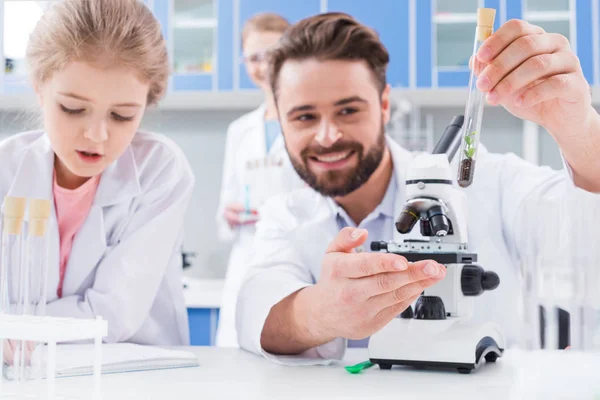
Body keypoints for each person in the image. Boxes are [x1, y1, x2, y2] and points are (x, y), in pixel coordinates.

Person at [236, 12, 600, 363]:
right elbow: (255, 311)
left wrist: (579, 128)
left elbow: (581, 230)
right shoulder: (285, 214)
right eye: (304, 116)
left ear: (383, 105)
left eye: (348, 111)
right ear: (279, 119)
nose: (328, 136)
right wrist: (322, 313)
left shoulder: (480, 179)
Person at [0, 0, 194, 347]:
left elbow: (113, 315)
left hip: (135, 375)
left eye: (122, 116)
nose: (97, 135)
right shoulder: (6, 168)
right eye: (73, 109)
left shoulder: (159, 170)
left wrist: (16, 329)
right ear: (39, 88)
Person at [215, 12, 304, 347]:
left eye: (272, 54)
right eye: (253, 57)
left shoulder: (308, 122)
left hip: (294, 262)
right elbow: (225, 207)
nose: (263, 64)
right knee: (234, 361)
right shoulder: (239, 131)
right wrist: (229, 214)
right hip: (245, 259)